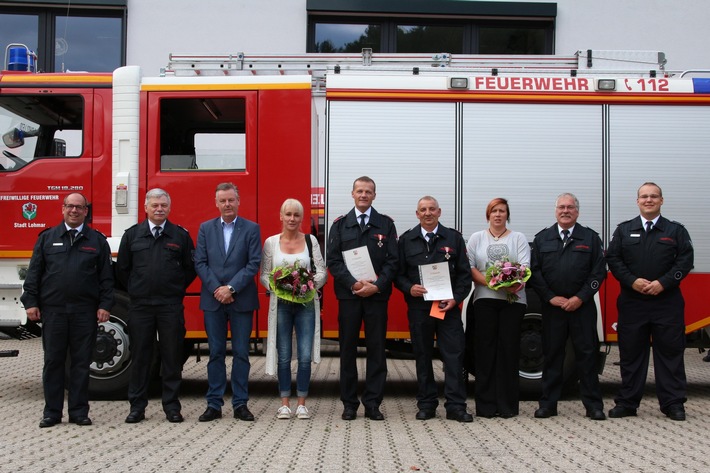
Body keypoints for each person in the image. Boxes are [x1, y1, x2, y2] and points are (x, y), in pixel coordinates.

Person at [21, 193, 114, 428]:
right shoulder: (47, 238)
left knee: (81, 363)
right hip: (54, 311)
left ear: (86, 211)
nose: (74, 210)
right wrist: (30, 302)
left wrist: (105, 305)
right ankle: (52, 412)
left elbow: (106, 278)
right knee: (53, 361)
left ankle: (79, 412)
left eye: (79, 207)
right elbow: (34, 273)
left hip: (84, 311)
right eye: (70, 206)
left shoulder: (96, 240)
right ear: (63, 209)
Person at [606, 182, 694, 421]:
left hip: (667, 302)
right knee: (631, 354)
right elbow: (613, 259)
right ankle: (627, 403)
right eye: (644, 196)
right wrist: (632, 281)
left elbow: (685, 261)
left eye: (653, 196)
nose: (648, 200)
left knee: (670, 354)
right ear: (637, 201)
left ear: (661, 201)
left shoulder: (675, 231)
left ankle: (673, 403)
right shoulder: (624, 230)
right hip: (633, 302)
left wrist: (663, 282)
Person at [116, 188, 196, 424]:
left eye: (163, 205)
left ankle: (171, 407)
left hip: (170, 305)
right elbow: (122, 269)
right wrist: (138, 289)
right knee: (141, 357)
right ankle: (137, 407)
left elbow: (189, 269)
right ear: (146, 208)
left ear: (169, 208)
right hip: (141, 306)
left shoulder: (180, 236)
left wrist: (174, 288)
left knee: (172, 358)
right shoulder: (132, 236)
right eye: (155, 205)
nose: (159, 209)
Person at [395, 196, 473, 422]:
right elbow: (397, 274)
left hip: (446, 308)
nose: (427, 213)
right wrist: (409, 288)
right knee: (422, 355)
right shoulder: (407, 240)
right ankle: (427, 404)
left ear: (439, 212)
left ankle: (456, 406)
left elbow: (464, 275)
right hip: (419, 308)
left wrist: (455, 298)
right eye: (423, 210)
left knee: (454, 356)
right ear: (417, 214)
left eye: (431, 209)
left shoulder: (454, 238)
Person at [529, 193, 607, 421]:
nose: (565, 211)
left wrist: (580, 297)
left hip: (581, 307)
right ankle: (548, 404)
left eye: (570, 207)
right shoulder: (543, 239)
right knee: (552, 355)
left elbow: (598, 271)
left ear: (577, 212)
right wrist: (550, 297)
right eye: (561, 207)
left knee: (587, 355)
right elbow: (535, 272)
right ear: (555, 211)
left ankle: (593, 405)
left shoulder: (590, 238)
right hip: (553, 308)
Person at [326, 176, 398, 421]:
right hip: (349, 297)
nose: (364, 195)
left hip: (376, 298)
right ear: (352, 194)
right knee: (347, 350)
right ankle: (349, 404)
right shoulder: (340, 224)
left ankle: (373, 403)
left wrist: (376, 286)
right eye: (360, 191)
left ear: (374, 196)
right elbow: (333, 261)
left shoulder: (386, 225)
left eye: (368, 191)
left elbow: (393, 261)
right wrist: (354, 283)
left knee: (377, 350)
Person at [194, 182, 262, 422]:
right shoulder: (205, 228)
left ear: (238, 201)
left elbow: (254, 263)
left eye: (231, 200)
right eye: (222, 201)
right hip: (213, 301)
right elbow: (200, 262)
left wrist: (231, 288)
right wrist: (217, 289)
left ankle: (240, 404)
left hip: (241, 299)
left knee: (242, 353)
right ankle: (214, 404)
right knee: (216, 353)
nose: (227, 205)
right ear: (216, 203)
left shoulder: (252, 229)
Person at [260, 198, 327, 420]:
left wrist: (306, 287)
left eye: (296, 215)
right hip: (281, 305)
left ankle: (302, 403)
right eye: (288, 214)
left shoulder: (311, 241)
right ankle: (285, 403)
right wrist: (280, 287)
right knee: (284, 355)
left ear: (302, 218)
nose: (292, 219)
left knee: (305, 355)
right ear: (280, 216)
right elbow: (264, 274)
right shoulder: (270, 243)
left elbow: (322, 272)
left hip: (306, 304)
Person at [466, 197, 529, 418]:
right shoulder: (476, 238)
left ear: (507, 215)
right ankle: (485, 407)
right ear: (488, 215)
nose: (498, 215)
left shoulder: (518, 238)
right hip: (484, 300)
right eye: (494, 211)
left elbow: (524, 267)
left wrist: (511, 285)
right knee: (485, 352)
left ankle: (507, 407)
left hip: (513, 302)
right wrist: (492, 283)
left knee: (508, 352)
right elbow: (470, 266)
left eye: (502, 211)